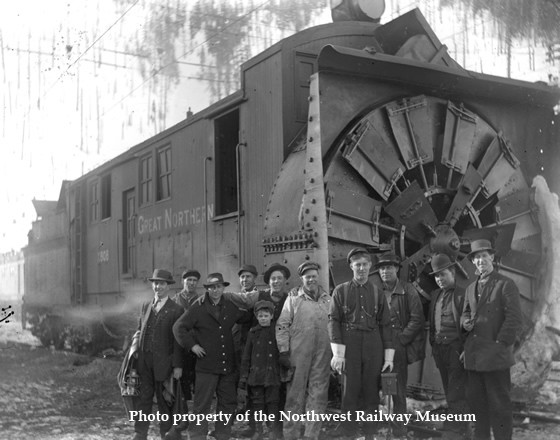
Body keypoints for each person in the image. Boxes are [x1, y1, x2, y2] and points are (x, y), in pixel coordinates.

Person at [172, 273, 251, 440]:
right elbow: (178, 327)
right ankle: (197, 436)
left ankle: (222, 435)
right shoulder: (198, 307)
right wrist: (192, 346)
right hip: (206, 366)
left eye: (219, 287)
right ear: (207, 289)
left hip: (227, 366)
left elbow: (247, 317)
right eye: (212, 287)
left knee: (227, 402)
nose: (215, 290)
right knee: (202, 405)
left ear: (223, 288)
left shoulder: (230, 306)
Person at [329, 248, 395, 440]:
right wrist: (338, 354)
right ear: (351, 266)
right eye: (358, 265)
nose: (362, 268)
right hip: (350, 343)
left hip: (373, 344)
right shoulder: (340, 291)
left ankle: (370, 434)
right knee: (349, 392)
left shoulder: (377, 293)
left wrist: (388, 357)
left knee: (371, 392)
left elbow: (385, 324)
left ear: (369, 266)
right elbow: (333, 321)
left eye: (365, 264)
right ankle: (348, 434)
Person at [460, 239, 522, 440]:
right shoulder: (470, 288)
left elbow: (514, 319)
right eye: (476, 258)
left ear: (492, 258)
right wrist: (465, 322)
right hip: (475, 358)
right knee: (478, 407)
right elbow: (466, 313)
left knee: (500, 407)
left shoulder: (505, 284)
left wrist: (500, 345)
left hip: (495, 357)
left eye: (484, 256)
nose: (480, 261)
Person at [276, 261, 331, 440]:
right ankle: (290, 434)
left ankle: (310, 435)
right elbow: (282, 325)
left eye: (314, 276)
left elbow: (334, 325)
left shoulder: (327, 299)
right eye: (308, 277)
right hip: (298, 354)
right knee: (294, 394)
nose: (311, 280)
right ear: (302, 279)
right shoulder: (293, 298)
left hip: (322, 354)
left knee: (318, 393)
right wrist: (283, 351)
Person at [130, 269, 184, 440]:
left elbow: (178, 341)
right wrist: (134, 349)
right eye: (155, 283)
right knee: (143, 398)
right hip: (145, 362)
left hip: (165, 364)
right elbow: (140, 329)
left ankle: (166, 434)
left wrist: (177, 366)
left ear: (168, 286)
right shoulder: (146, 306)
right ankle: (140, 433)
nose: (157, 287)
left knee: (164, 401)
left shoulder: (176, 309)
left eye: (161, 283)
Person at [375, 252, 425, 438]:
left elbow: (417, 319)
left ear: (396, 268)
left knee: (398, 390)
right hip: (380, 344)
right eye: (382, 268)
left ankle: (399, 431)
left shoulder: (408, 290)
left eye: (389, 267)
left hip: (397, 345)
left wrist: (402, 340)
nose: (385, 271)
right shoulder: (378, 291)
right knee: (385, 385)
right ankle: (385, 428)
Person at [428, 254, 469, 437]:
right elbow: (432, 322)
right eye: (436, 276)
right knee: (448, 387)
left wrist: (466, 349)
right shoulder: (435, 295)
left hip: (456, 349)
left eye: (443, 274)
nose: (439, 279)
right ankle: (454, 425)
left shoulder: (463, 294)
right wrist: (434, 346)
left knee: (456, 390)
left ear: (452, 272)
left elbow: (471, 326)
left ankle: (457, 429)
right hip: (440, 349)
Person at [165, 268, 201, 439]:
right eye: (189, 280)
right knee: (182, 390)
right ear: (182, 282)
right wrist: (176, 362)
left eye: (194, 280)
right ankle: (181, 424)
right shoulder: (175, 301)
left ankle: (196, 425)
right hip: (181, 351)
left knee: (199, 389)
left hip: (198, 350)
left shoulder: (201, 300)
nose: (192, 283)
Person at [239, 300, 282, 440]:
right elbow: (246, 356)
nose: (263, 318)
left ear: (271, 316)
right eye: (260, 316)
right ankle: (259, 430)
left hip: (272, 374)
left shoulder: (277, 331)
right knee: (257, 403)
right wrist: (244, 376)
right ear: (256, 317)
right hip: (256, 375)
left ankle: (273, 430)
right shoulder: (253, 333)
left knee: (272, 403)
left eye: (266, 315)